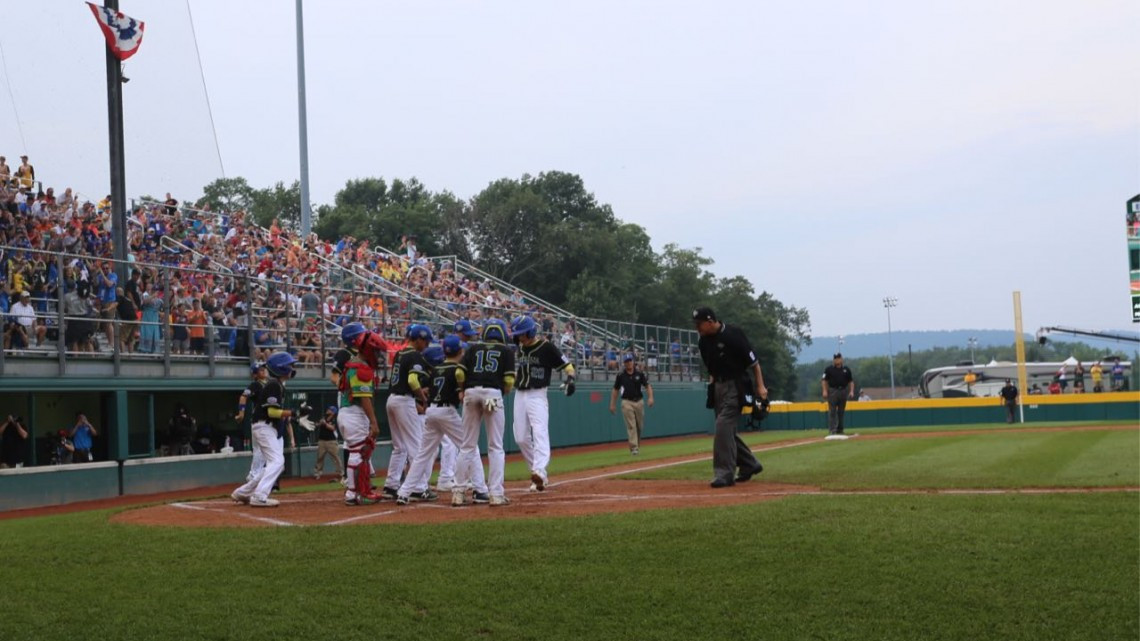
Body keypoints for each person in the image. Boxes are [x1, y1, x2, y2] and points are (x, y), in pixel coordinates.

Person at [693, 307, 765, 488]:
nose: (697, 328)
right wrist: (711, 389)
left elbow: (754, 364)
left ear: (710, 322)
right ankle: (750, 464)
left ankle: (724, 473)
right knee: (726, 431)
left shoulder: (733, 335)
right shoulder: (703, 342)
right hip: (718, 386)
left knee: (722, 426)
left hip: (736, 385)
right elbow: (711, 370)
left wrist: (761, 387)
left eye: (699, 324)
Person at [510, 315, 575, 492]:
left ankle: (539, 469)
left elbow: (567, 365)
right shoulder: (520, 347)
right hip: (520, 394)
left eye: (521, 333)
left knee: (539, 432)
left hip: (537, 394)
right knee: (520, 437)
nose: (519, 337)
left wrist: (570, 379)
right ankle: (538, 474)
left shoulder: (546, 347)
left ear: (530, 331)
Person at [397, 343, 464, 505]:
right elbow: (459, 396)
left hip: (431, 413)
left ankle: (404, 491)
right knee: (469, 447)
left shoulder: (433, 373)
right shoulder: (452, 370)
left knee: (423, 454)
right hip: (445, 412)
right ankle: (479, 489)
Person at [231, 352, 298, 508]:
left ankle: (243, 493)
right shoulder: (274, 385)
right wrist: (294, 412)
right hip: (264, 426)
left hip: (265, 426)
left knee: (273, 463)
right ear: (281, 368)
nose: (292, 368)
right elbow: (272, 412)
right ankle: (259, 496)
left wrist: (294, 417)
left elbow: (275, 413)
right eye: (289, 365)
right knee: (277, 461)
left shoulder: (276, 384)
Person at [460, 319, 515, 506]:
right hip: (492, 394)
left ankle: (458, 492)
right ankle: (496, 494)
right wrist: (504, 390)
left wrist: (463, 389)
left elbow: (460, 374)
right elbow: (509, 380)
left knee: (467, 445)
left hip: (470, 393)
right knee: (495, 446)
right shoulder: (506, 351)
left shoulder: (473, 349)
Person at [333, 323, 384, 505]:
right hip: (354, 413)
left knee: (362, 452)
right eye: (376, 351)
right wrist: (374, 422)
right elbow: (364, 398)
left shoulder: (356, 364)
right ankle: (353, 493)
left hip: (350, 413)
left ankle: (361, 490)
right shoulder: (360, 367)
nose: (378, 355)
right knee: (357, 453)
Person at [383, 324, 434, 501]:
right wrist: (423, 397)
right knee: (416, 446)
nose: (426, 345)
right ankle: (418, 488)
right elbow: (413, 380)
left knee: (399, 447)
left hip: (391, 399)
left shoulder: (400, 353)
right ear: (418, 339)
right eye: (425, 341)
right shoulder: (414, 355)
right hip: (404, 401)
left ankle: (391, 485)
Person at [609, 353, 654, 455]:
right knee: (631, 425)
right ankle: (634, 448)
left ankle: (636, 446)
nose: (628, 363)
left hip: (639, 401)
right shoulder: (621, 375)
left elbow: (648, 386)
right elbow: (615, 390)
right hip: (626, 402)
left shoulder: (639, 374)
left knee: (639, 426)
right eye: (626, 361)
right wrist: (612, 404)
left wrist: (651, 398)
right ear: (624, 363)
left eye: (630, 361)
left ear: (633, 362)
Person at [821, 353, 855, 435]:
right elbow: (824, 380)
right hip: (833, 391)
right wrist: (825, 391)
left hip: (843, 391)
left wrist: (851, 391)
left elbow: (851, 381)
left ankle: (840, 429)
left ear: (841, 359)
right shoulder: (829, 369)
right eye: (835, 358)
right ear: (833, 360)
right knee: (832, 411)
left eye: (838, 358)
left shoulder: (846, 369)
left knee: (841, 412)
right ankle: (832, 429)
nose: (837, 360)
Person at [311, 406, 344, 481]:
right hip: (322, 441)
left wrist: (325, 424)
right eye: (328, 409)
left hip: (331, 441)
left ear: (333, 412)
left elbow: (332, 428)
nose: (328, 410)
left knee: (335, 457)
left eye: (330, 410)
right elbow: (318, 424)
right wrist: (317, 424)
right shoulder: (324, 417)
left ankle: (341, 473)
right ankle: (317, 473)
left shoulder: (335, 419)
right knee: (320, 457)